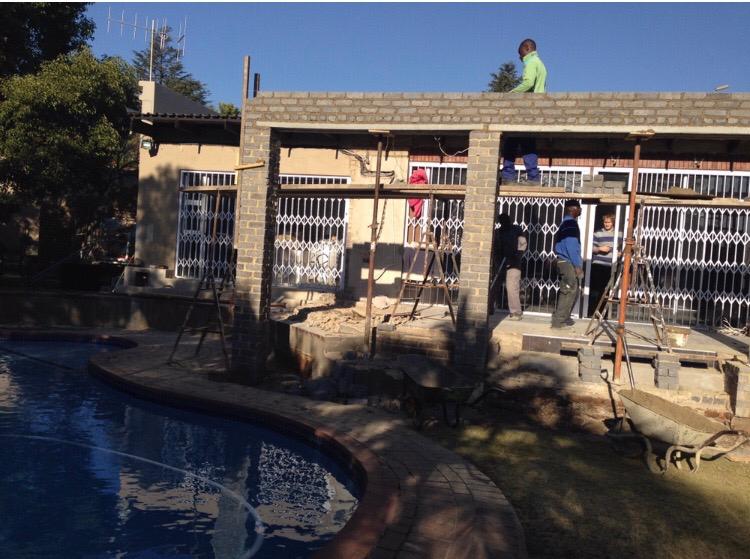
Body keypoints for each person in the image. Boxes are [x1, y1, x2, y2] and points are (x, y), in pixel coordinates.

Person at [502, 38, 548, 187]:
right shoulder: (540, 64)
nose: (519, 56)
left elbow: (528, 83)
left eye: (520, 52)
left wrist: (510, 94)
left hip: (525, 111)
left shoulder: (531, 62)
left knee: (510, 143)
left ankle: (508, 176)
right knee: (528, 145)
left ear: (527, 48)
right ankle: (533, 178)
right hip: (533, 112)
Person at [552, 200, 583, 329]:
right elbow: (571, 246)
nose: (581, 210)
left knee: (570, 290)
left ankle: (564, 317)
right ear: (573, 209)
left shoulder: (566, 223)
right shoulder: (570, 224)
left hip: (564, 261)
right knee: (569, 290)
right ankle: (559, 321)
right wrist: (577, 265)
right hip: (567, 262)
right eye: (579, 208)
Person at [495, 214, 526, 320]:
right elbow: (495, 248)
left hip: (514, 263)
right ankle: (489, 307)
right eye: (502, 221)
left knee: (512, 287)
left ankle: (516, 312)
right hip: (500, 262)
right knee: (494, 285)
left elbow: (522, 244)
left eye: (506, 220)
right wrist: (497, 260)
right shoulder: (498, 232)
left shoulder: (517, 230)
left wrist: (517, 255)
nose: (505, 223)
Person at [589, 213, 617, 315]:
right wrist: (600, 248)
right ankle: (592, 311)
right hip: (598, 264)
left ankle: (603, 313)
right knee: (596, 290)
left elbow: (622, 247)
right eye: (605, 222)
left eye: (609, 222)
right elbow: (591, 248)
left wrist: (618, 252)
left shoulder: (618, 234)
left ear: (613, 222)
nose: (607, 224)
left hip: (610, 265)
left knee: (606, 290)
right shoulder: (597, 233)